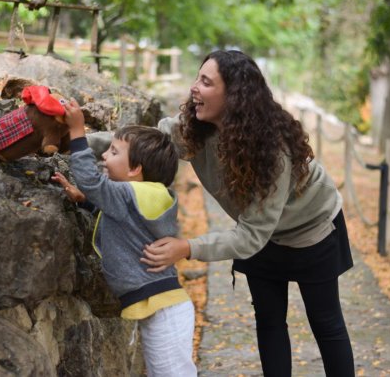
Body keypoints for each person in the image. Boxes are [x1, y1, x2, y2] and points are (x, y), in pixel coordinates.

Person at [140, 50, 355, 377]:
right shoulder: (198, 129)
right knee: (269, 321)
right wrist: (80, 141)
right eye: (197, 78)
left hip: (312, 230)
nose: (194, 88)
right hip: (259, 231)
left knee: (325, 322)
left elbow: (251, 235)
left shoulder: (272, 151)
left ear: (234, 96)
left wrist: (188, 248)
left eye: (206, 82)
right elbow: (141, 145)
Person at [52, 99, 197, 377]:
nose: (104, 156)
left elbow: (92, 182)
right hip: (163, 306)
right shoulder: (146, 195)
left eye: (114, 151)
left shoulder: (132, 193)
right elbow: (124, 220)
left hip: (164, 310)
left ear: (135, 169)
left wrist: (78, 133)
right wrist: (86, 202)